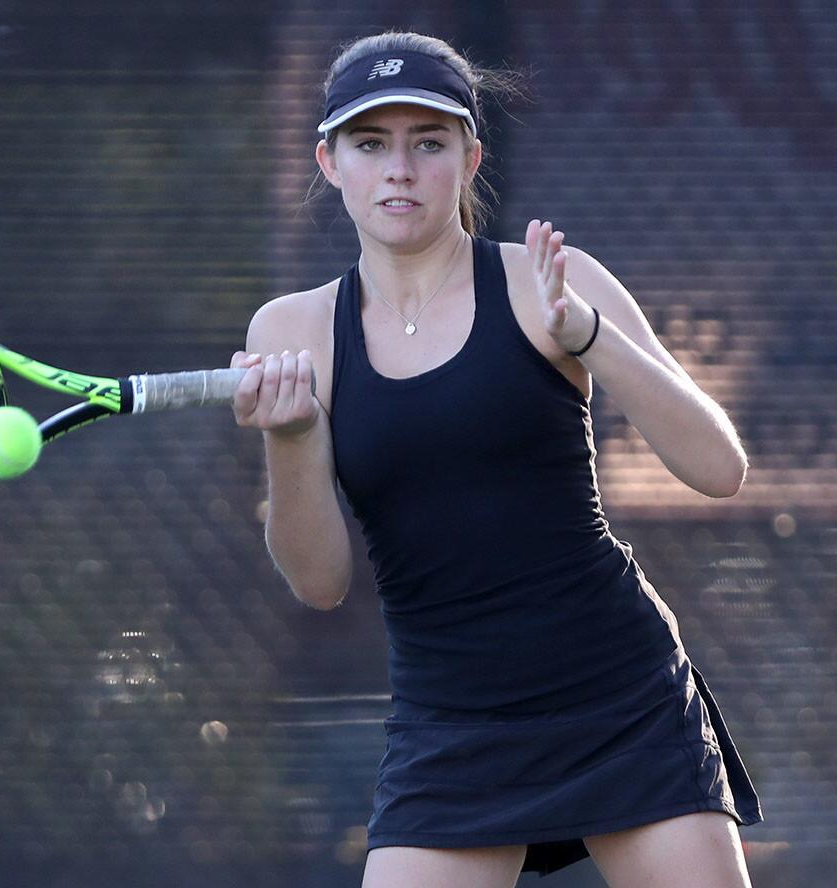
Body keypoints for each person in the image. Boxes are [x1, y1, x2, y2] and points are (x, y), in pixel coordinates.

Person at [231, 31, 762, 887]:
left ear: (470, 157)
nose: (399, 168)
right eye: (371, 144)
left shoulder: (549, 279)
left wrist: (589, 338)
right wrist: (289, 440)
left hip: (618, 694)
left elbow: (719, 468)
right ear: (330, 162)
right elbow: (319, 582)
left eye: (428, 143)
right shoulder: (288, 332)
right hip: (450, 720)